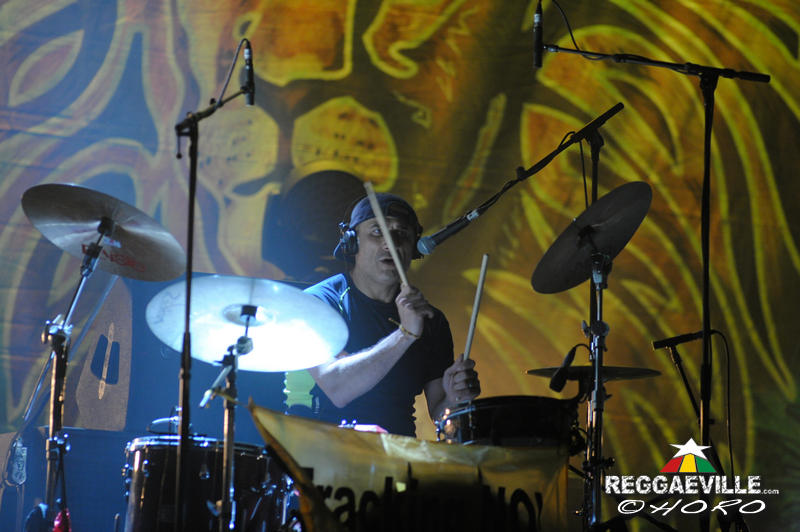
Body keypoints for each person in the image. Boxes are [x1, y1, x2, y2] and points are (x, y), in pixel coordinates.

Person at [302, 193, 481, 437]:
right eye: (378, 232)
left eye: (402, 234)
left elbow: (442, 416)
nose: (391, 243)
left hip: (398, 451)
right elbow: (337, 388)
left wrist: (455, 398)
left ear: (413, 247)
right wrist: (404, 334)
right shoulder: (320, 302)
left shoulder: (432, 321)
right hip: (329, 449)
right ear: (352, 242)